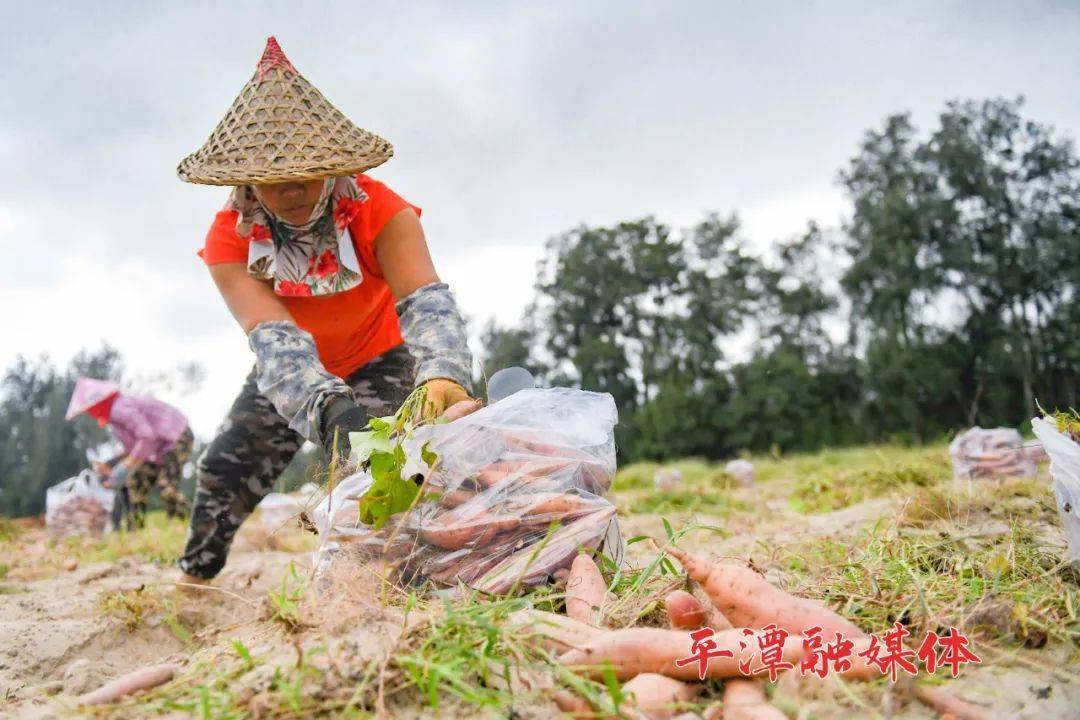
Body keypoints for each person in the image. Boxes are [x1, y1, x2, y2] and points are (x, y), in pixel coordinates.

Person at [174, 37, 476, 583]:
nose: (292, 188)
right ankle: (194, 577)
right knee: (226, 468)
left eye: (307, 172)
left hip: (381, 356)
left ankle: (407, 572)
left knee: (388, 469)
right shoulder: (229, 244)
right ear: (245, 177)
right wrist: (332, 412)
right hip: (297, 369)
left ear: (334, 164)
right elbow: (276, 345)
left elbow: (428, 305)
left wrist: (443, 375)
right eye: (274, 176)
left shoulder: (382, 212)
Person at [66, 378, 193, 529]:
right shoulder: (115, 420)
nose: (90, 414)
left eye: (89, 410)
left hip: (176, 438)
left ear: (97, 405)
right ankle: (135, 527)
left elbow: (147, 436)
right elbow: (132, 449)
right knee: (137, 481)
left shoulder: (120, 409)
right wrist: (111, 464)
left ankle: (192, 522)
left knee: (166, 486)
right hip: (156, 446)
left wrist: (126, 465)